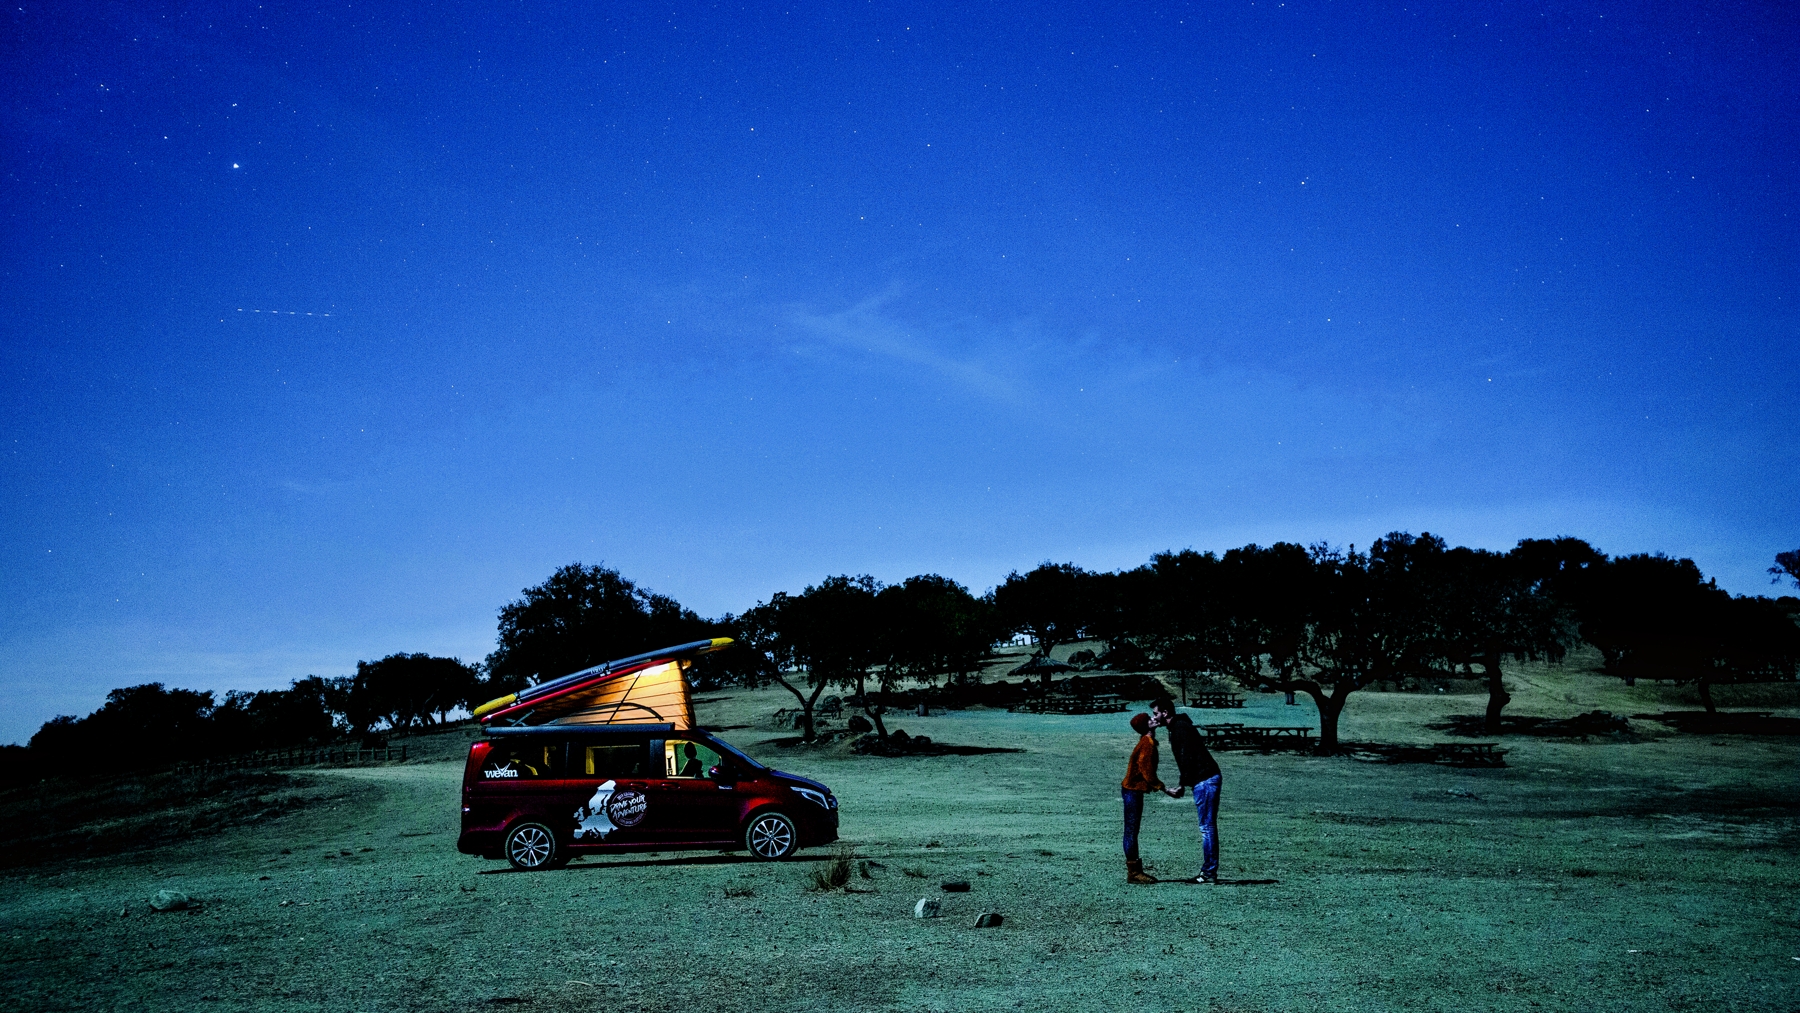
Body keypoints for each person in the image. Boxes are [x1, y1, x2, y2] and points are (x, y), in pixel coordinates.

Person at [1151, 696, 1221, 884]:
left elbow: (1186, 757)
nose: (1154, 717)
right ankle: (1209, 871)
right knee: (1207, 826)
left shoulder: (1179, 728)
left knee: (1207, 827)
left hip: (1204, 779)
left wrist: (1182, 784)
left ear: (1165, 713)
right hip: (1205, 778)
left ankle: (1209, 873)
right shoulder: (1179, 726)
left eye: (1156, 713)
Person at [1120, 711, 1164, 885]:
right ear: (1145, 726)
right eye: (1149, 719)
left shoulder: (1148, 741)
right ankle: (1134, 872)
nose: (1153, 719)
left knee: (1132, 830)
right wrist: (1161, 787)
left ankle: (1135, 871)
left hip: (1132, 789)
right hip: (1132, 790)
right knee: (1131, 830)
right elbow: (1146, 769)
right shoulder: (1147, 743)